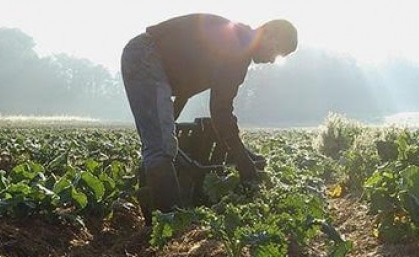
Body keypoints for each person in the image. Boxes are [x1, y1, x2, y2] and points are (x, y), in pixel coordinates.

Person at [121, 14, 298, 213]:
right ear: (267, 32)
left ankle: (161, 208)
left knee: (161, 141)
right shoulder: (237, 46)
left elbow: (186, 86)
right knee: (161, 146)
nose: (273, 60)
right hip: (145, 55)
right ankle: (169, 223)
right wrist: (242, 160)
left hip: (149, 58)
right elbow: (220, 110)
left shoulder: (237, 41)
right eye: (276, 51)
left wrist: (170, 118)